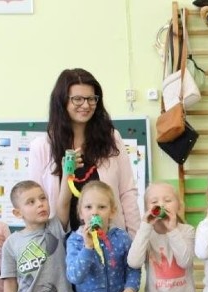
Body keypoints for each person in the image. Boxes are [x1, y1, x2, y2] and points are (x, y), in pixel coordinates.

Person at [28, 68, 140, 235]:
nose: (86, 105)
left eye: (91, 99)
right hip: (62, 248)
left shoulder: (111, 138)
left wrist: (134, 238)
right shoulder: (42, 146)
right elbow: (34, 200)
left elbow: (127, 192)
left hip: (111, 242)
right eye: (77, 99)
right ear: (62, 101)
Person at [64, 180, 140, 292]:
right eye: (88, 207)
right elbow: (74, 276)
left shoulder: (121, 237)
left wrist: (131, 288)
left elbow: (133, 267)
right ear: (80, 213)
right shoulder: (75, 241)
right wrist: (88, 247)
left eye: (102, 207)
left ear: (112, 212)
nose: (94, 213)